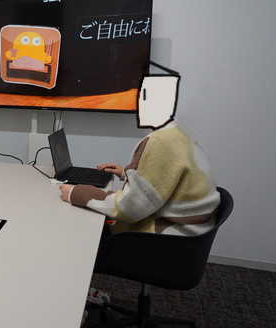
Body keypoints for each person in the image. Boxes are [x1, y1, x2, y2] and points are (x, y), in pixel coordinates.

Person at [59, 72, 220, 236]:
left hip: (166, 238)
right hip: (190, 231)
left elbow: (130, 208)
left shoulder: (162, 141)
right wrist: (126, 174)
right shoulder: (181, 133)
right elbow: (164, 180)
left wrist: (76, 193)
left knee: (90, 228)